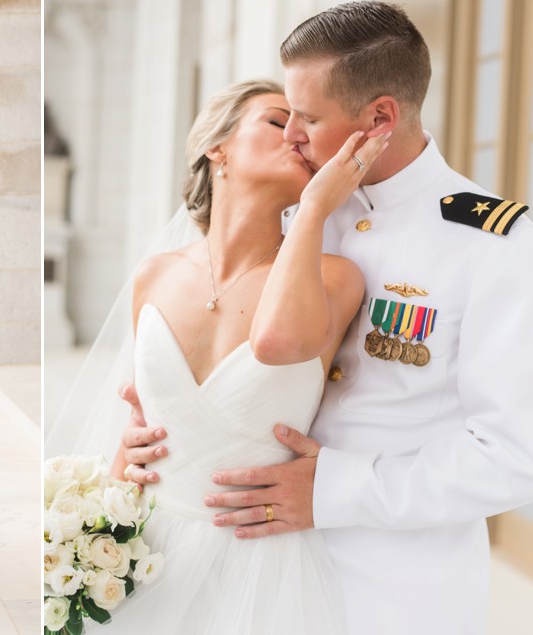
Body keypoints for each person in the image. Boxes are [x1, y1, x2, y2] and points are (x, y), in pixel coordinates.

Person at [117, 1, 533, 634]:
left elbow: (512, 457)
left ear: (381, 118)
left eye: (308, 118)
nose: (291, 136)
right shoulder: (294, 214)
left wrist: (335, 489)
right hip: (243, 570)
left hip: (393, 584)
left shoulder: (490, 243)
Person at [47, 78, 389, 632]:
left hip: (260, 568)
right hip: (145, 551)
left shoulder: (334, 279)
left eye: (307, 130)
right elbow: (141, 421)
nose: (298, 138)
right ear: (218, 146)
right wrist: (102, 516)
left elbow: (284, 343)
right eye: (279, 123)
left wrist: (315, 208)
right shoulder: (153, 275)